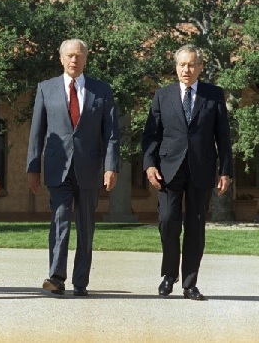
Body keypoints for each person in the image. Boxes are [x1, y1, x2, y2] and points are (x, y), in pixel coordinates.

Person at [26, 38, 120, 297]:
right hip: (58, 167)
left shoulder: (101, 90)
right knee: (59, 221)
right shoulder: (46, 89)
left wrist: (111, 166)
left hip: (90, 168)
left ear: (86, 59)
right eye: (69, 55)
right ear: (61, 58)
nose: (74, 60)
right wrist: (33, 168)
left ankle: (81, 282)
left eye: (79, 56)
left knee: (86, 226)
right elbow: (37, 132)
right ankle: (56, 277)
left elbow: (111, 133)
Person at [142, 44, 232, 301]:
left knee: (195, 226)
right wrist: (149, 165)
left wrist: (225, 171)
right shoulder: (163, 95)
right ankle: (169, 275)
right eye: (182, 64)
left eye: (192, 64)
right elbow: (151, 135)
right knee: (168, 220)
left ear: (200, 68)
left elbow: (223, 137)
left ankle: (190, 283)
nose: (186, 69)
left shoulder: (213, 95)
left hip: (202, 169)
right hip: (168, 169)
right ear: (176, 67)